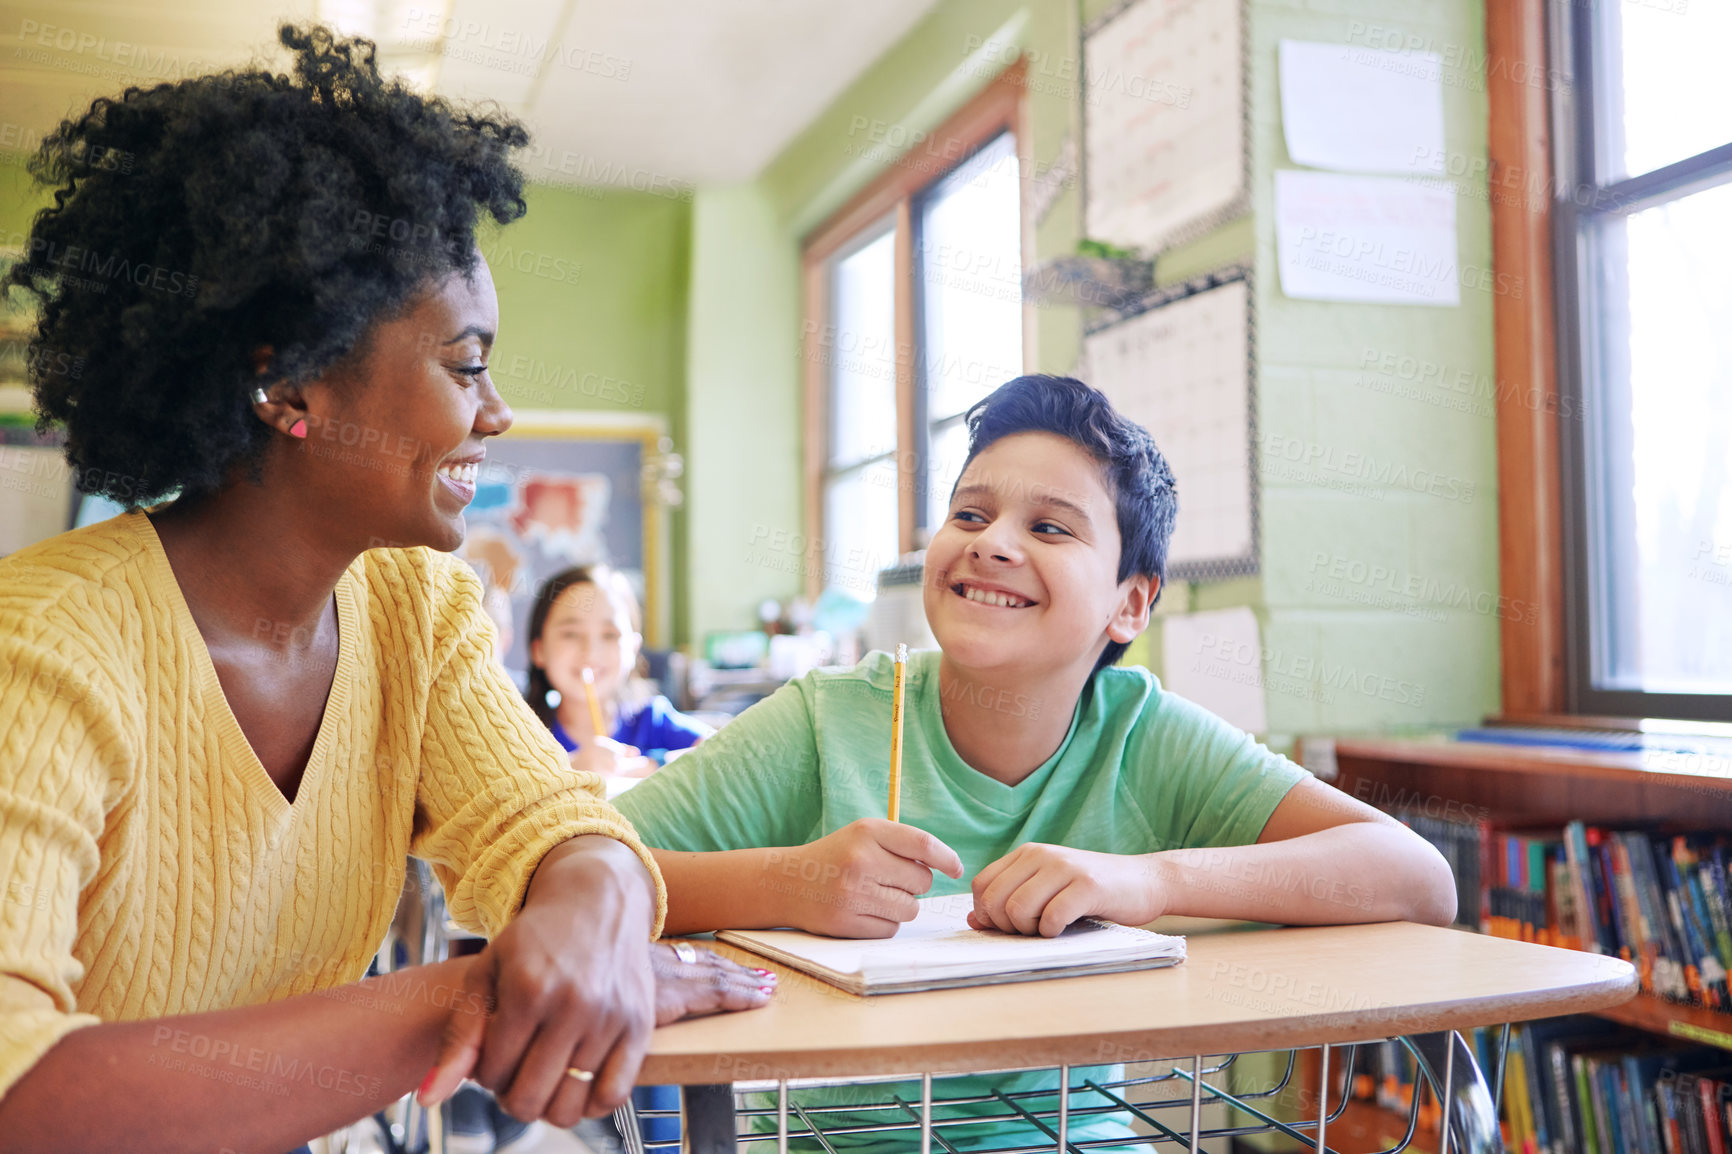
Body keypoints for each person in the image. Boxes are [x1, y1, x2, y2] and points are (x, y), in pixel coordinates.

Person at [0, 26, 770, 1154]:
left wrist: (592, 899)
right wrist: (463, 998)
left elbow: (546, 825)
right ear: (289, 386)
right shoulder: (45, 641)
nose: (497, 411)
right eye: (465, 364)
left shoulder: (418, 608)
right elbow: (20, 1091)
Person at [613, 374, 1458, 1151]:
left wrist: (1150, 882)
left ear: (1131, 602)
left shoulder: (1144, 734)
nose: (991, 545)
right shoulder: (826, 721)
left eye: (1049, 527)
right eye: (970, 516)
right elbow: (569, 872)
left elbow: (1416, 879)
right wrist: (784, 884)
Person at [526, 564, 711, 780]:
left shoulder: (653, 721)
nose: (591, 651)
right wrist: (569, 768)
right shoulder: (523, 737)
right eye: (571, 634)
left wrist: (646, 766)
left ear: (633, 648)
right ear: (539, 650)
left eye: (609, 635)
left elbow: (724, 754)